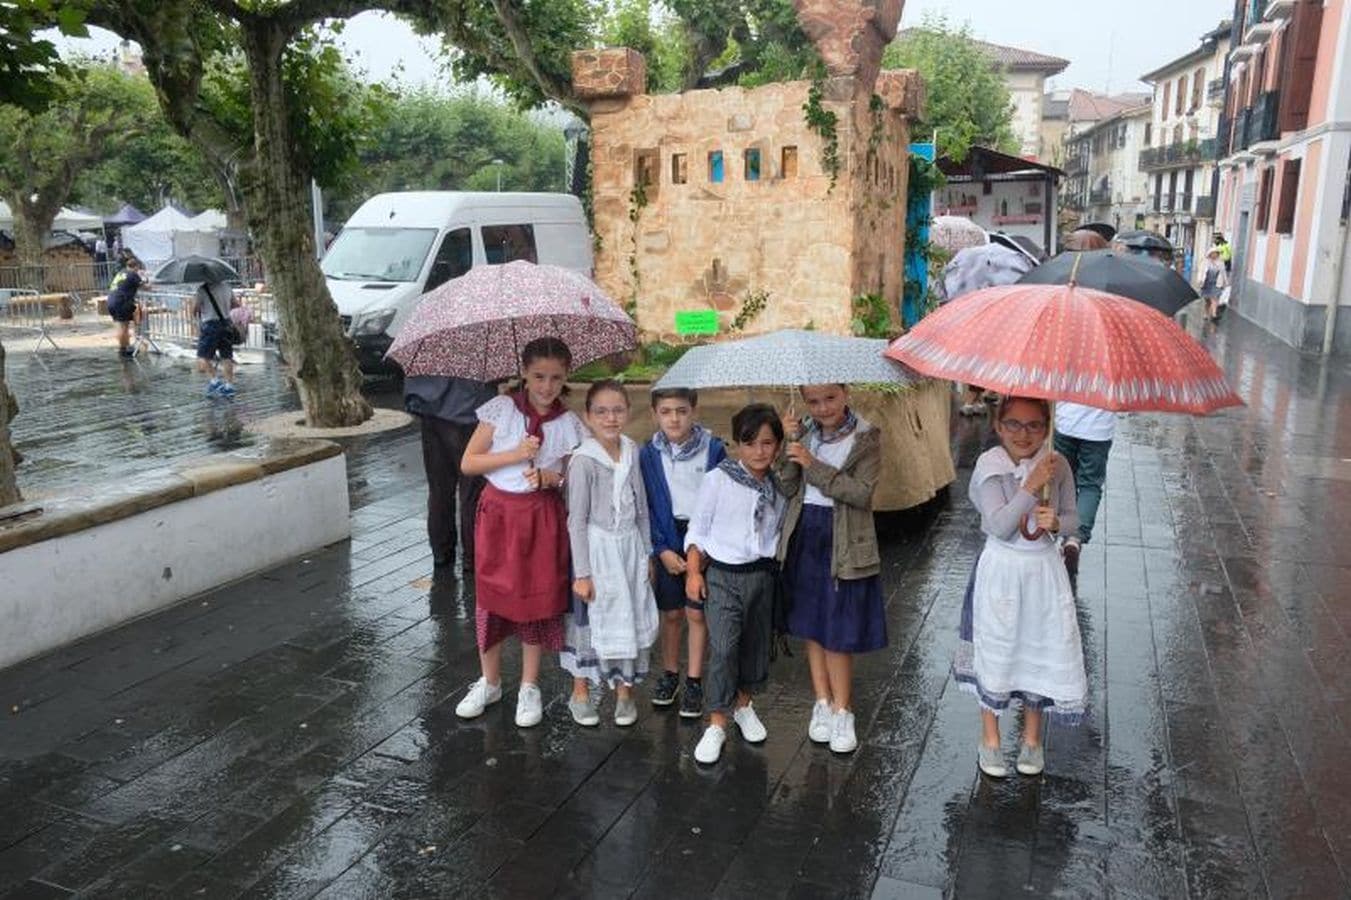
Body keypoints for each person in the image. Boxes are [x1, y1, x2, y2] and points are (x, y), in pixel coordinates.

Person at [456, 337, 584, 728]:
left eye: (555, 378)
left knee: (533, 598)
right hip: (498, 515)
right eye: (538, 376)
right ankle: (490, 680)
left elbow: (573, 476)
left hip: (540, 517)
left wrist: (550, 477)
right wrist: (515, 453)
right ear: (524, 374)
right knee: (491, 597)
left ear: (565, 378)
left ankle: (530, 684)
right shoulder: (502, 410)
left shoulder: (568, 423)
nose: (546, 386)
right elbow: (468, 463)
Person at [955, 396, 1085, 779]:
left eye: (1033, 426)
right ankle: (991, 739)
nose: (1023, 434)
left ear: (1047, 428)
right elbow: (999, 525)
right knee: (997, 648)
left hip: (1042, 572)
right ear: (998, 425)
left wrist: (1057, 523)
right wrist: (1030, 488)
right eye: (1013, 424)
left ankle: (1032, 738)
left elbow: (1074, 518)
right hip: (1002, 570)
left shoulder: (1057, 464)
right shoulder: (988, 467)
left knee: (1037, 648)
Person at [778, 384, 884, 755]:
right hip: (805, 531)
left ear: (846, 393)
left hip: (844, 538)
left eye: (830, 398)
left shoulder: (866, 436)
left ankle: (844, 709)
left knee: (837, 628)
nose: (823, 408)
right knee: (811, 623)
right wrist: (787, 447)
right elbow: (787, 486)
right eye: (813, 401)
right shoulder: (804, 433)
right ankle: (821, 702)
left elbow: (862, 494)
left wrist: (813, 464)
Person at [685, 403, 787, 765]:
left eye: (767, 443)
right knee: (725, 647)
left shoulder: (779, 485)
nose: (759, 451)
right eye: (750, 443)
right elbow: (697, 528)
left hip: (762, 575)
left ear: (777, 445)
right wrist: (694, 572)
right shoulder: (719, 478)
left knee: (755, 645)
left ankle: (745, 706)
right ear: (736, 445)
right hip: (724, 577)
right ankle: (715, 722)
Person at [561, 381, 660, 728]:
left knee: (629, 613)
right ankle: (581, 692)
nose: (610, 417)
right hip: (598, 550)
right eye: (601, 411)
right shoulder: (584, 461)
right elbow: (577, 520)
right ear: (588, 416)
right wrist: (583, 573)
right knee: (590, 619)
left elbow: (642, 508)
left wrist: (647, 553)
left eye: (617, 409)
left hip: (629, 547)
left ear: (628, 412)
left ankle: (624, 692)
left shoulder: (631, 450)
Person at [637, 387, 727, 718]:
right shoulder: (648, 454)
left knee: (697, 612)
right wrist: (660, 549)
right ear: (654, 414)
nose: (674, 418)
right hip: (667, 538)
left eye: (681, 410)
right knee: (671, 613)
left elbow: (721, 499)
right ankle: (671, 673)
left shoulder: (714, 449)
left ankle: (694, 681)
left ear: (695, 411)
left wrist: (704, 551)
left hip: (703, 540)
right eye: (666, 411)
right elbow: (647, 505)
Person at [405, 376, 497, 575]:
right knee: (472, 493)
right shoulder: (480, 348)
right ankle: (471, 558)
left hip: (432, 410)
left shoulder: (429, 345)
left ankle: (441, 552)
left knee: (439, 490)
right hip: (472, 411)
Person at [1053, 402, 1115, 580]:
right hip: (1099, 428)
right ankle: (1075, 537)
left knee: (1066, 480)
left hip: (1066, 421)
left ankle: (1065, 528)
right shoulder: (1111, 372)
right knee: (1090, 485)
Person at [189, 279, 240, 396]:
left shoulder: (202, 290)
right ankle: (229, 386)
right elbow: (236, 304)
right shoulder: (227, 287)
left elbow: (194, 310)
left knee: (203, 356)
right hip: (226, 323)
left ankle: (214, 381)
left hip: (210, 325)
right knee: (226, 356)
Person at [105, 258, 146, 358]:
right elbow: (145, 287)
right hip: (121, 301)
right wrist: (146, 280)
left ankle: (125, 346)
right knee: (123, 326)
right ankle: (124, 349)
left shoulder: (120, 273)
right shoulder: (132, 274)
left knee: (123, 323)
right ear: (136, 267)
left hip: (111, 301)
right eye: (138, 268)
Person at [1199, 247, 1229, 322]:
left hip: (1216, 283)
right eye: (1213, 253)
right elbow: (1201, 272)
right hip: (1206, 283)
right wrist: (1200, 280)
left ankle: (1214, 315)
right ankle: (1206, 313)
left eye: (1216, 253)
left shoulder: (1220, 262)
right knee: (1207, 301)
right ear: (1210, 254)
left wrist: (1226, 282)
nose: (1215, 255)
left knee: (1214, 299)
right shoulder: (1205, 262)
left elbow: (1223, 273)